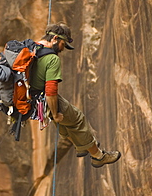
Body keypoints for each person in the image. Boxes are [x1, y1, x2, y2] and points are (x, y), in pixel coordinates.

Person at [30, 22, 121, 168]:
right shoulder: (52, 58)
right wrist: (55, 113)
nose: (63, 49)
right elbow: (51, 91)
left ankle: (82, 145)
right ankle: (98, 156)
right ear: (54, 39)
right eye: (62, 44)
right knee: (77, 119)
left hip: (25, 98)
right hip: (39, 99)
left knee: (67, 119)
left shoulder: (30, 47)